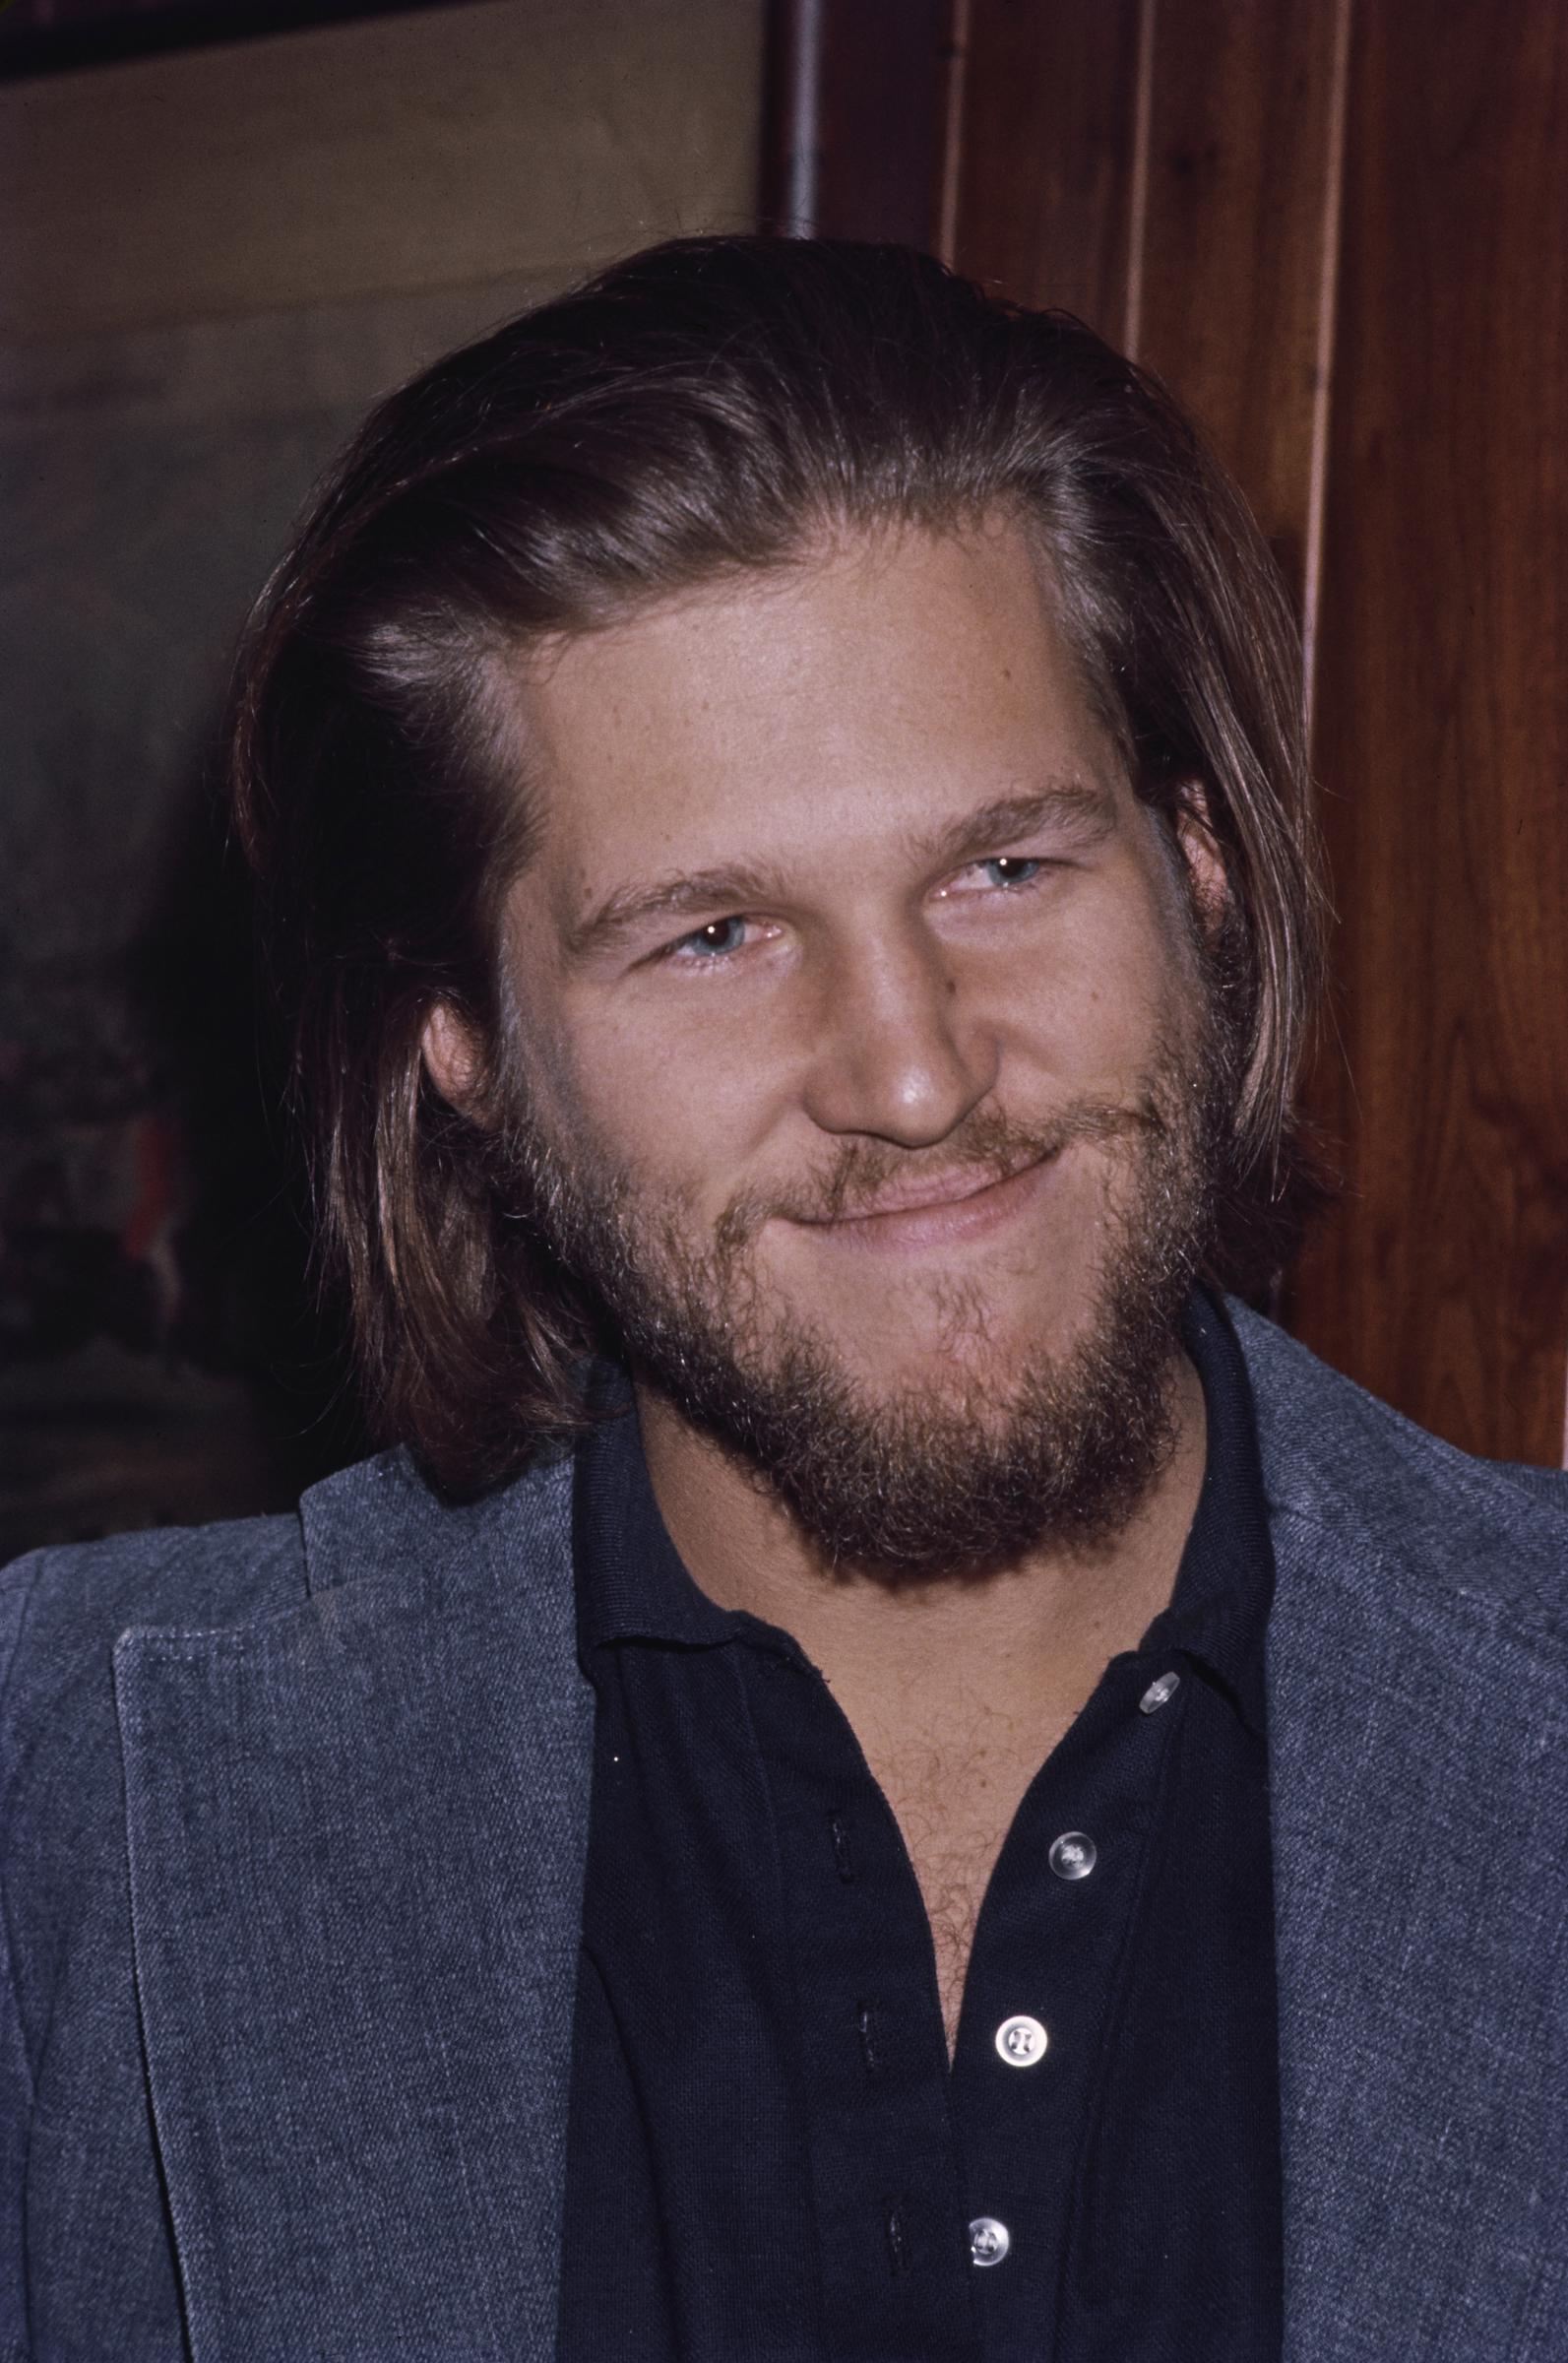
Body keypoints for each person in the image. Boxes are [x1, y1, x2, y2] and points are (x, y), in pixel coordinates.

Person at [2, 236, 1561, 2363]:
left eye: (1002, 869)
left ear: (1193, 875)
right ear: (458, 1042)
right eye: (713, 935)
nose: (914, 1073)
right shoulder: (58, 1812)